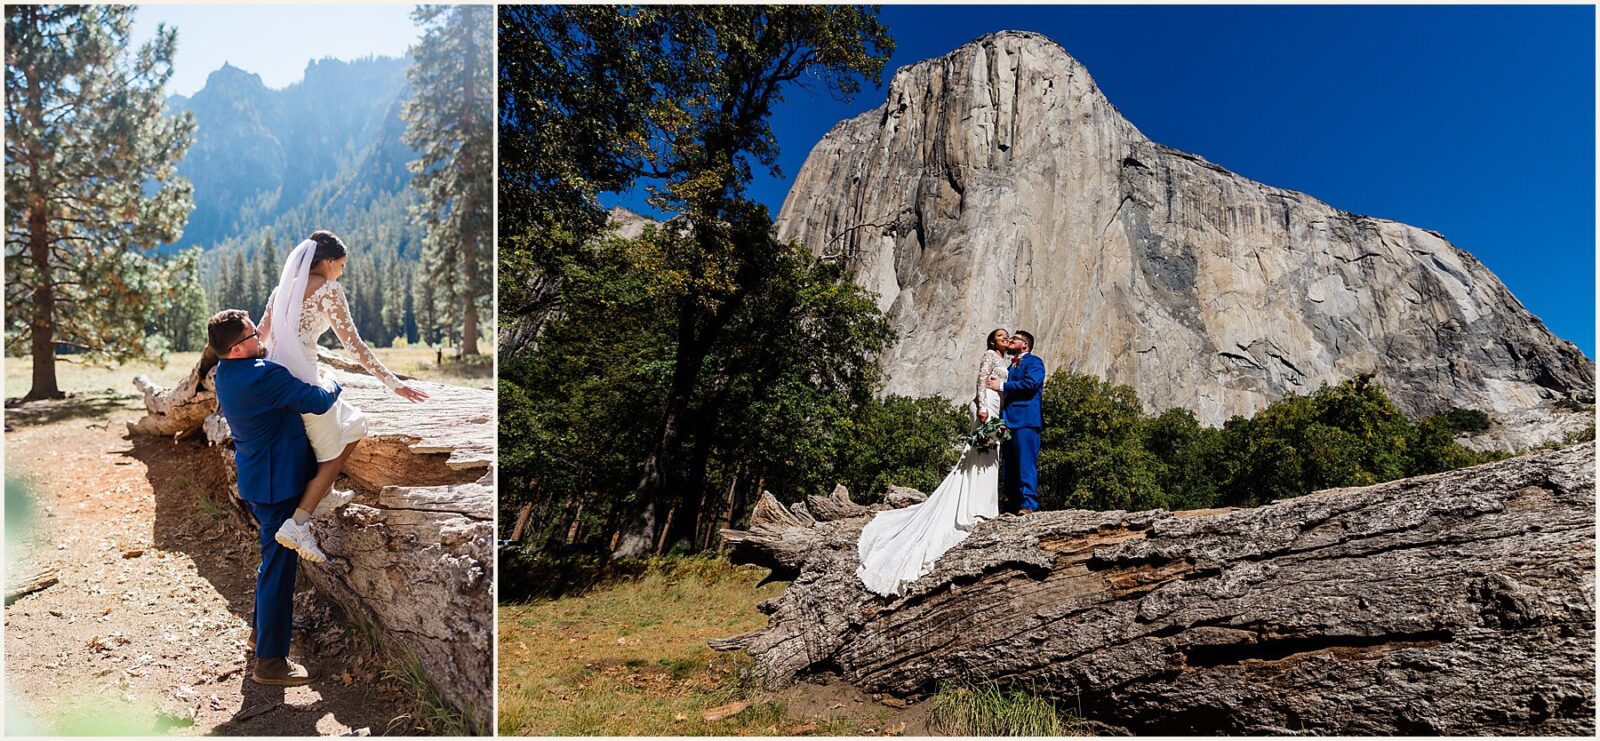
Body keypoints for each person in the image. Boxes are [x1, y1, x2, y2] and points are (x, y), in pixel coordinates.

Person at [258, 230, 428, 563]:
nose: (342, 272)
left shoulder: (280, 290)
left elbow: (261, 337)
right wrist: (394, 383)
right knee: (333, 452)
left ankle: (325, 495)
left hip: (277, 380)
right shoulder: (329, 290)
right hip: (305, 385)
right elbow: (355, 347)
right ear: (328, 262)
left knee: (355, 423)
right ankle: (299, 522)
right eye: (342, 265)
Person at [209, 309, 341, 686]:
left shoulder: (227, 373)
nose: (259, 338)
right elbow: (317, 400)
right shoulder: (263, 375)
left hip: (259, 480)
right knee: (280, 572)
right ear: (236, 348)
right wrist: (332, 380)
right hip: (279, 484)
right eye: (252, 335)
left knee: (272, 562)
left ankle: (259, 635)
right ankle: (270, 663)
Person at [855, 329, 1008, 596]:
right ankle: (976, 507)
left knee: (987, 456)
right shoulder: (989, 355)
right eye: (1001, 336)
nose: (1005, 339)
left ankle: (980, 504)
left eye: (1007, 336)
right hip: (986, 407)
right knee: (983, 454)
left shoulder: (1003, 359)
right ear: (992, 341)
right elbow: (981, 380)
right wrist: (983, 407)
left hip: (996, 405)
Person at [988, 330, 1044, 514]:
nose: (1010, 341)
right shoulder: (1010, 367)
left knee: (1026, 463)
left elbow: (1031, 384)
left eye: (1014, 339)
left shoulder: (1034, 362)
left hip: (1026, 421)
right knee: (1009, 467)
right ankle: (1012, 505)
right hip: (1008, 422)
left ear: (1025, 344)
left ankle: (1028, 504)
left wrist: (1002, 385)